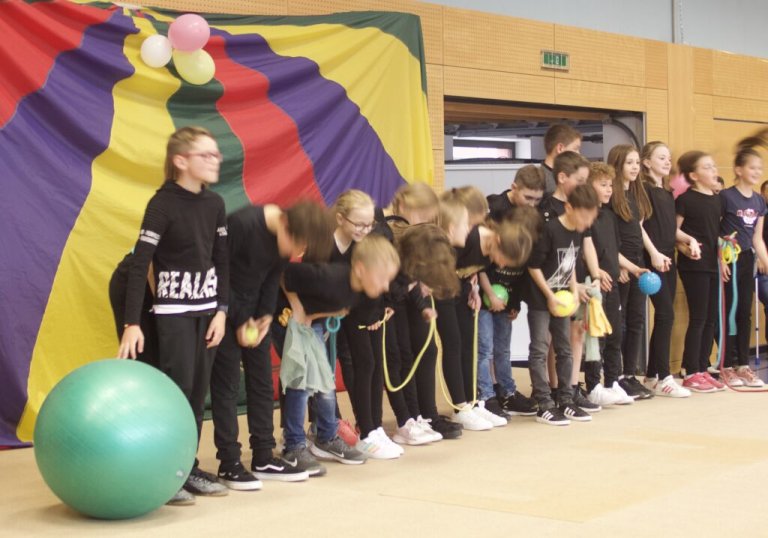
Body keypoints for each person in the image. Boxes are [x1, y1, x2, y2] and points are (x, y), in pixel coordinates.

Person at [117, 126, 230, 505]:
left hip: (206, 313)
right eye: (206, 155)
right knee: (176, 394)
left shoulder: (215, 204)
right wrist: (132, 323)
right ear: (181, 161)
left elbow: (222, 260)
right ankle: (167, 472)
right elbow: (140, 265)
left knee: (198, 396)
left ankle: (188, 466)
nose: (216, 160)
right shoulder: (162, 204)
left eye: (216, 154)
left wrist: (222, 311)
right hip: (173, 314)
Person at [210, 200, 334, 489]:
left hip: (252, 318)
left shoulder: (282, 240)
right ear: (284, 225)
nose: (298, 254)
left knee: (263, 384)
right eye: (298, 246)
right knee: (227, 386)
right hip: (223, 314)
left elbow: (270, 277)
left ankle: (263, 456)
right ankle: (229, 463)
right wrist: (240, 320)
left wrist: (264, 316)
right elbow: (219, 274)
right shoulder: (241, 224)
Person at [279, 234, 400, 464]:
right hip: (284, 319)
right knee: (300, 381)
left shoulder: (357, 294)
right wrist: (298, 311)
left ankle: (326, 436)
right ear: (362, 269)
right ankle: (293, 445)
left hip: (311, 323)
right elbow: (284, 274)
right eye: (382, 278)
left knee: (324, 381)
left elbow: (330, 308)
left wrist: (317, 315)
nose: (385, 286)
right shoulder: (330, 276)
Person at [527, 184, 599, 425]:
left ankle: (566, 400)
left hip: (563, 298)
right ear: (569, 207)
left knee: (565, 348)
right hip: (542, 300)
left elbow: (569, 264)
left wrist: (574, 289)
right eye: (584, 216)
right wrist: (549, 295)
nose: (587, 222)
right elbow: (533, 266)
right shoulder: (549, 230)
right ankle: (544, 403)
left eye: (592, 218)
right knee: (539, 348)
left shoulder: (577, 232)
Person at [480, 165, 545, 417]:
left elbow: (523, 268)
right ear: (514, 187)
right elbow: (482, 261)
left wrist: (514, 301)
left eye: (537, 200)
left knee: (502, 347)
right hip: (487, 293)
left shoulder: (533, 219)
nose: (532, 205)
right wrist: (488, 293)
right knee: (484, 347)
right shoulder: (494, 208)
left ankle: (506, 391)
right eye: (528, 198)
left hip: (507, 293)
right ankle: (486, 394)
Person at [639, 141, 698, 397]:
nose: (667, 162)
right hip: (652, 260)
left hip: (668, 259)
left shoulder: (665, 192)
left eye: (669, 158)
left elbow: (670, 228)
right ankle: (663, 376)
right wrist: (652, 253)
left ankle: (652, 375)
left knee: (666, 315)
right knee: (665, 315)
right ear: (646, 162)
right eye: (661, 157)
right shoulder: (642, 190)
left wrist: (689, 240)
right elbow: (638, 226)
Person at [583, 163, 644, 406]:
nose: (609, 190)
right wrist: (596, 272)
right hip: (596, 283)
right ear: (589, 186)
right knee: (596, 337)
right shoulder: (586, 216)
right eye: (603, 185)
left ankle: (611, 381)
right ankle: (593, 385)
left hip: (613, 282)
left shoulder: (609, 215)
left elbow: (613, 250)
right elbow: (585, 250)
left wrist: (630, 267)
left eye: (610, 185)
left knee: (615, 333)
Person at [718, 132, 768, 387]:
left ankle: (743, 365)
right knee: (728, 311)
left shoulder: (759, 200)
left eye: (760, 167)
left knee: (745, 313)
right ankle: (727, 365)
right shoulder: (726, 197)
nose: (757, 171)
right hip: (728, 259)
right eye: (752, 167)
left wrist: (766, 262)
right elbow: (713, 230)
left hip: (747, 259)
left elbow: (757, 238)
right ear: (738, 169)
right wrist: (721, 259)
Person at [607, 144, 655, 400]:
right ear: (618, 165)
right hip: (622, 268)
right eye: (630, 163)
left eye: (637, 162)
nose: (635, 167)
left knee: (637, 320)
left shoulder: (636, 195)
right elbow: (609, 240)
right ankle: (614, 377)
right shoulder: (611, 199)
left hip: (638, 264)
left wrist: (654, 253)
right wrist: (621, 266)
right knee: (619, 322)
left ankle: (630, 374)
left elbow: (639, 230)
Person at [675, 151, 723, 392]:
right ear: (693, 175)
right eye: (707, 167)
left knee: (711, 318)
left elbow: (717, 234)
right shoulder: (685, 199)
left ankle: (703, 369)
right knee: (699, 317)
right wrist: (686, 248)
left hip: (713, 265)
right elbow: (673, 232)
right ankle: (690, 370)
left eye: (713, 166)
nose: (713, 170)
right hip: (694, 267)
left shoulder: (716, 199)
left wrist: (723, 260)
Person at [540, 123, 583, 195]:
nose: (578, 154)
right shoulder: (541, 180)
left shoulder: (569, 177)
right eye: (575, 149)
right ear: (560, 148)